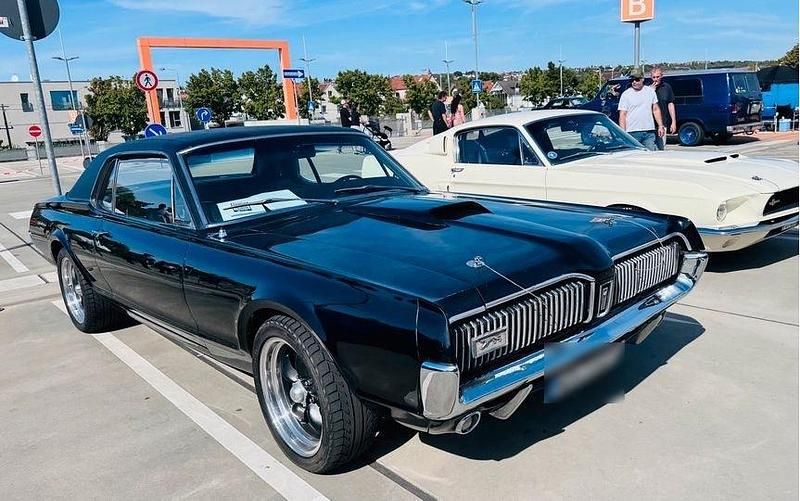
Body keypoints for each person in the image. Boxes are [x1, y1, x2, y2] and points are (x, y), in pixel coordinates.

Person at [617, 71, 665, 151]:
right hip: (632, 132)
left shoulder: (650, 92)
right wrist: (623, 134)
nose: (634, 82)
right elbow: (622, 115)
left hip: (649, 132)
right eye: (632, 80)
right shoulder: (626, 94)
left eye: (636, 79)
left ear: (642, 79)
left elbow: (655, 109)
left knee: (650, 156)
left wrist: (660, 125)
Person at [650, 66, 677, 150]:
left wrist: (673, 122)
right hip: (649, 124)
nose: (655, 79)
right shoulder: (647, 89)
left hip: (662, 123)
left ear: (661, 76)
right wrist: (651, 92)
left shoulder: (667, 87)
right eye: (654, 77)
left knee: (661, 148)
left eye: (657, 77)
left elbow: (670, 104)